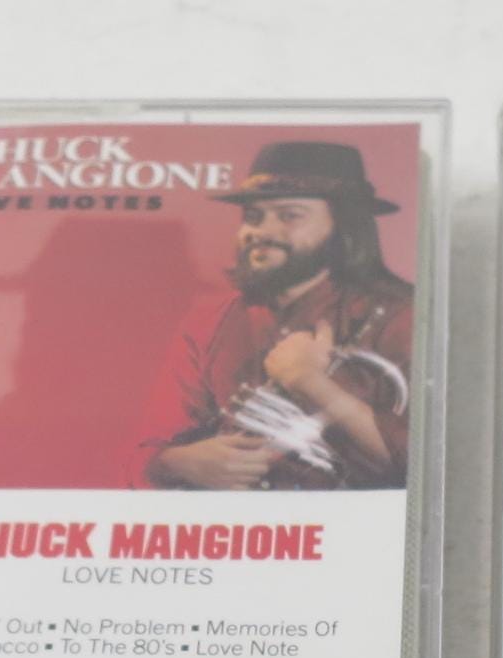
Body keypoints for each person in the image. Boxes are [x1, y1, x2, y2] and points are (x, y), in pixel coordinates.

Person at [137, 140, 414, 492]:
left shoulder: (403, 315)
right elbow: (146, 448)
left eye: (289, 215)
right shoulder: (210, 320)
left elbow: (423, 464)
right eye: (253, 217)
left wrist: (308, 381)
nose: (262, 231)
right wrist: (179, 463)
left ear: (344, 226)